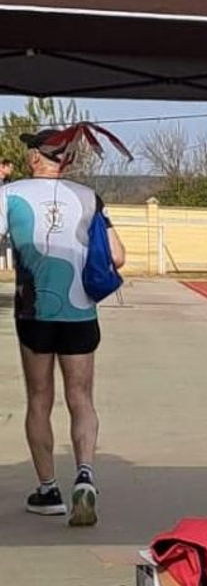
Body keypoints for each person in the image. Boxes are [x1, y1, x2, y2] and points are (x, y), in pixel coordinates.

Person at [2, 128, 125, 526]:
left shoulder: (9, 194)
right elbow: (118, 256)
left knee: (39, 398)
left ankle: (48, 489)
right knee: (82, 397)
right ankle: (85, 475)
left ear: (36, 157)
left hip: (34, 310)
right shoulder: (89, 197)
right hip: (80, 312)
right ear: (66, 160)